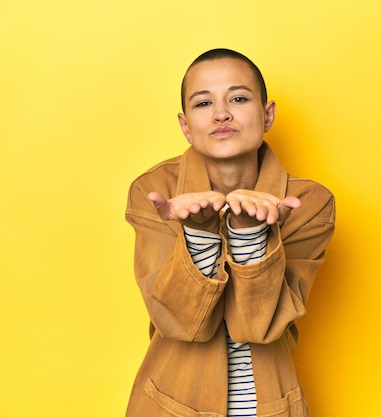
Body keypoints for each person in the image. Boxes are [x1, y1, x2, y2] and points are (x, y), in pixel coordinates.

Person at [124, 48, 335, 417]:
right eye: (203, 103)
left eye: (238, 98)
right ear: (186, 125)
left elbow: (257, 325)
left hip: (267, 405)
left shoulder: (308, 202)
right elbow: (180, 322)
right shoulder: (154, 190)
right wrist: (200, 234)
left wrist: (249, 234)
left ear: (267, 114)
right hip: (167, 403)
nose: (222, 113)